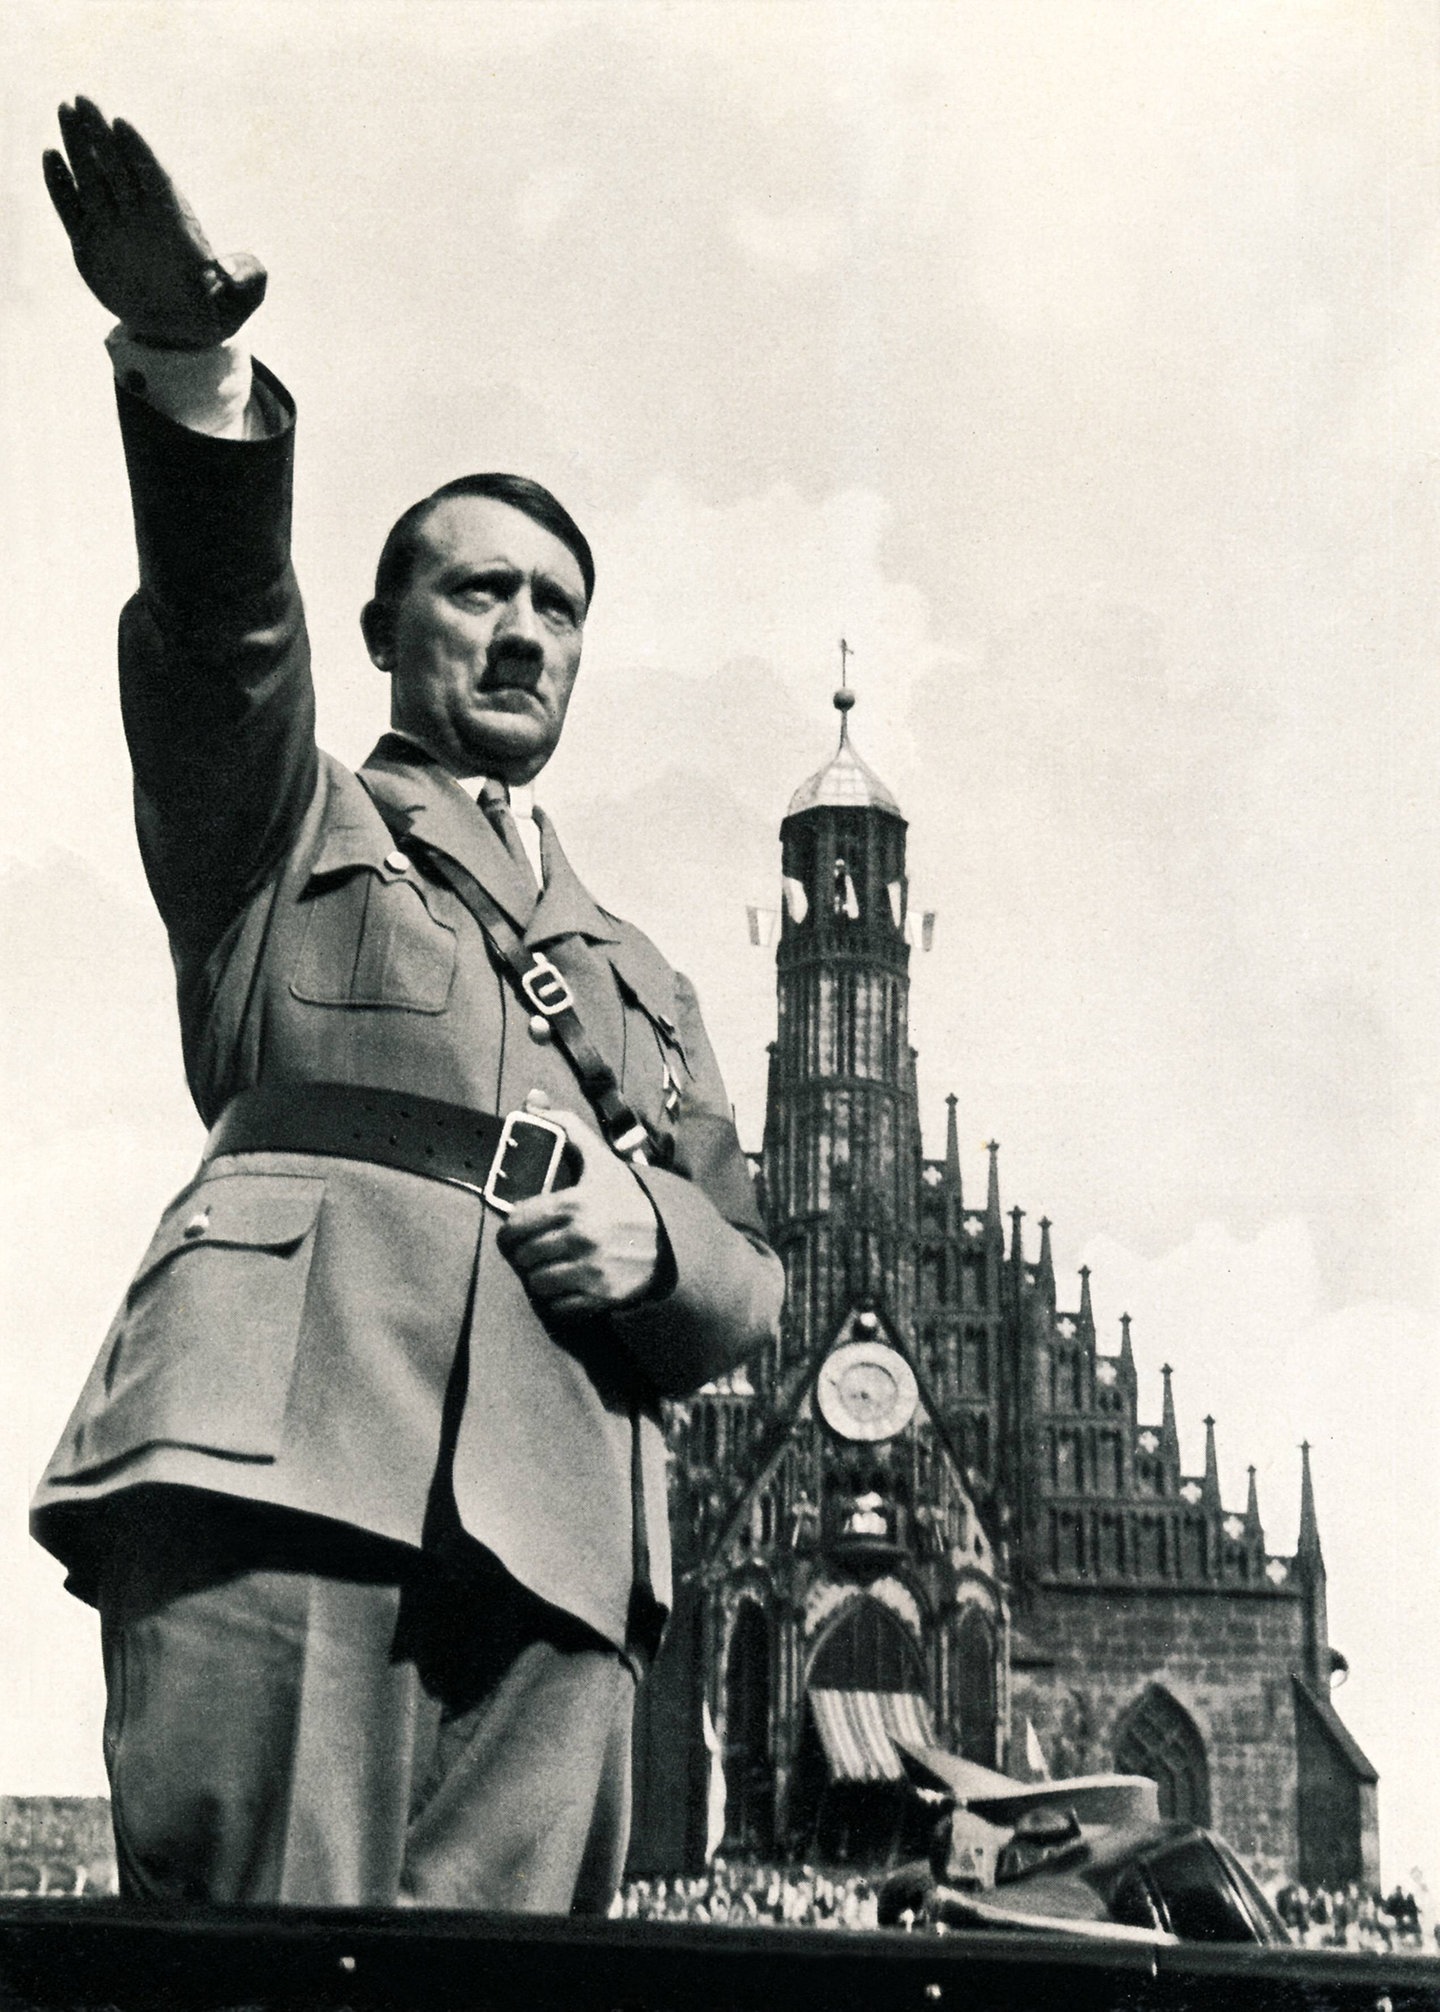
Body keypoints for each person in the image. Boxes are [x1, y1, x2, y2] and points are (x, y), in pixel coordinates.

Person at [30, 98, 783, 1914]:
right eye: (478, 590)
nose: (523, 631)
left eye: (560, 609)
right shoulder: (278, 817)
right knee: (262, 1971)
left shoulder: (645, 977)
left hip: (566, 1537)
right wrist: (192, 369)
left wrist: (660, 1246)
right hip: (283, 1463)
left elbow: (751, 1270)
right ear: (383, 632)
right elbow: (222, 632)